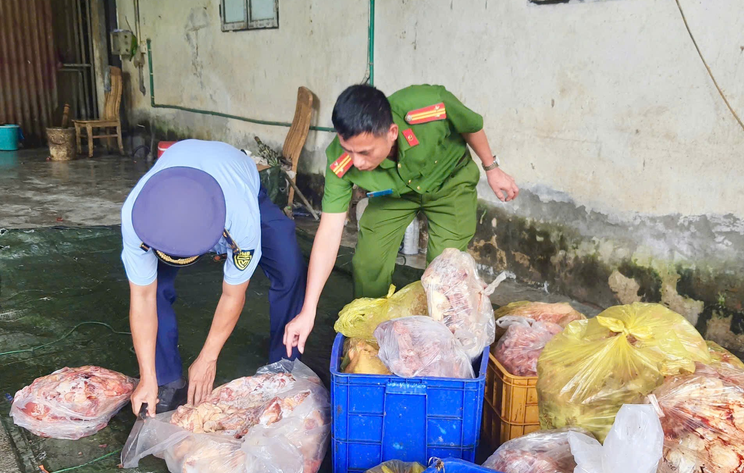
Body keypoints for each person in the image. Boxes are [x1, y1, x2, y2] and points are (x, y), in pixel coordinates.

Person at [282, 84, 518, 357]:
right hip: (394, 195)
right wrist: (308, 309)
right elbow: (329, 231)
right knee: (368, 262)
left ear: (392, 133)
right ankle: (370, 338)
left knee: (443, 273)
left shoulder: (429, 107)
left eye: (365, 152)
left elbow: (471, 126)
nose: (356, 162)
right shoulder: (340, 162)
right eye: (349, 150)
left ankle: (441, 348)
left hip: (449, 184)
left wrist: (492, 168)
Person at [121, 139, 307, 416]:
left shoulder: (240, 219)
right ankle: (164, 376)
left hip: (239, 180)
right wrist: (146, 375)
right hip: (176, 181)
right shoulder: (137, 217)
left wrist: (209, 357)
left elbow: (234, 293)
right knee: (155, 286)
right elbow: (143, 298)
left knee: (289, 266)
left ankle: (284, 366)